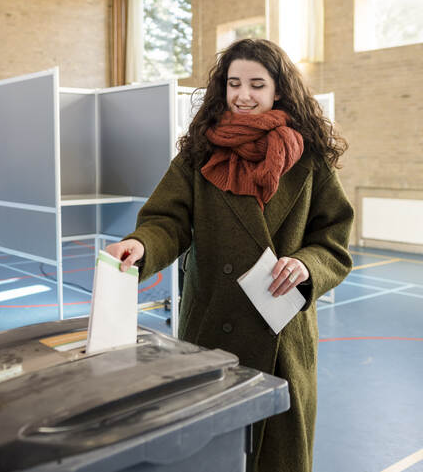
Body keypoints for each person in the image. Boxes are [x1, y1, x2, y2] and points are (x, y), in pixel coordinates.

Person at [105, 38, 354, 472]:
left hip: (284, 334)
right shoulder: (198, 154)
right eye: (234, 83)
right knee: (212, 454)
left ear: (278, 90)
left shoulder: (309, 160)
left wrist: (306, 265)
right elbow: (169, 221)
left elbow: (333, 238)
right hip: (212, 326)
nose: (243, 95)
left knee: (277, 454)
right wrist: (142, 245)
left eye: (257, 84)